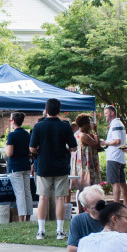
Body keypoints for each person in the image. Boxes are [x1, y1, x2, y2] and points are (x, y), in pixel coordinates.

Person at [30, 98, 78, 240]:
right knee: (60, 198)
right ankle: (59, 231)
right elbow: (74, 147)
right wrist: (65, 149)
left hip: (44, 165)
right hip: (61, 166)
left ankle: (41, 231)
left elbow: (32, 148)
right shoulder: (65, 126)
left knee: (43, 198)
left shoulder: (39, 126)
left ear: (46, 109)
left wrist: (39, 151)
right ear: (59, 110)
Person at [5, 112, 33, 222]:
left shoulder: (12, 135)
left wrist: (6, 145)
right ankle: (28, 216)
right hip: (25, 165)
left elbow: (9, 153)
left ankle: (21, 218)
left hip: (15, 167)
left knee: (19, 193)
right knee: (27, 192)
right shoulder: (27, 134)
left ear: (13, 121)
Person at [102, 104, 127, 202]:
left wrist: (104, 142)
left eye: (106, 113)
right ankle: (125, 204)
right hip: (119, 157)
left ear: (112, 113)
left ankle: (116, 204)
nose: (105, 115)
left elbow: (117, 141)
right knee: (122, 182)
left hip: (114, 157)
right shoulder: (118, 123)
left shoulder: (115, 124)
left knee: (115, 183)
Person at [73, 114, 101, 188]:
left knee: (83, 188)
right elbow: (96, 145)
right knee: (88, 187)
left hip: (83, 164)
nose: (91, 124)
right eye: (89, 122)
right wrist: (95, 131)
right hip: (86, 164)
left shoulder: (78, 134)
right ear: (84, 124)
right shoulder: (84, 136)